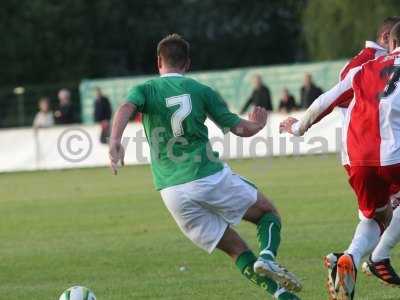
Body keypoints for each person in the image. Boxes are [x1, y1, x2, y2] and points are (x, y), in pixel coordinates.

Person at [109, 34, 302, 300]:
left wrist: (115, 141)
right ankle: (268, 256)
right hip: (206, 176)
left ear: (158, 62)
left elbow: (125, 107)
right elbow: (238, 127)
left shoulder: (146, 89)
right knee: (268, 213)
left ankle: (281, 295)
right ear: (187, 64)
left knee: (235, 248)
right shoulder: (201, 91)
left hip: (171, 192)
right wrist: (257, 125)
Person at [280, 22, 400, 300]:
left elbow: (326, 99)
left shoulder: (364, 68)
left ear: (391, 43)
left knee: (377, 216)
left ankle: (351, 258)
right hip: (395, 156)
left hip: (359, 158)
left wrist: (298, 128)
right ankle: (379, 258)